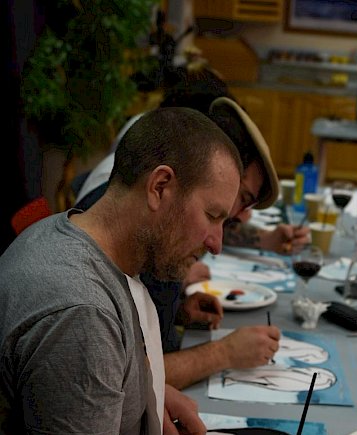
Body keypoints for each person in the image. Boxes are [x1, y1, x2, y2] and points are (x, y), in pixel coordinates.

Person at [0, 107, 311, 435]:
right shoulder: (80, 309)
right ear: (160, 186)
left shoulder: (76, 234)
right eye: (213, 216)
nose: (217, 243)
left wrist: (145, 391)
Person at [75, 90, 309, 390]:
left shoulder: (143, 225)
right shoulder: (95, 287)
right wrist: (223, 352)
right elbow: (125, 380)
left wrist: (178, 313)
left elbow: (125, 349)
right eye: (214, 213)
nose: (217, 244)